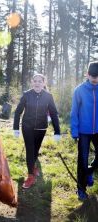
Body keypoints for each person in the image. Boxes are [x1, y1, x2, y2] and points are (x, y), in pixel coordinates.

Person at [13, 73, 61, 189]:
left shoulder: (48, 96)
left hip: (41, 128)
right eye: (35, 81)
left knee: (35, 150)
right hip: (27, 126)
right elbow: (18, 111)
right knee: (30, 150)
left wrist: (57, 131)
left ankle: (33, 167)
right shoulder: (26, 95)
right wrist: (15, 128)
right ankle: (30, 176)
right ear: (32, 82)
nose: (37, 83)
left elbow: (54, 114)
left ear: (44, 83)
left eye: (40, 81)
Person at [71, 61, 98, 200]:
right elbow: (74, 112)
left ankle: (89, 172)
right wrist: (74, 131)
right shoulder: (79, 90)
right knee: (82, 159)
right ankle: (81, 189)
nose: (95, 78)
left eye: (97, 76)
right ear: (87, 74)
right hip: (83, 131)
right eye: (92, 75)